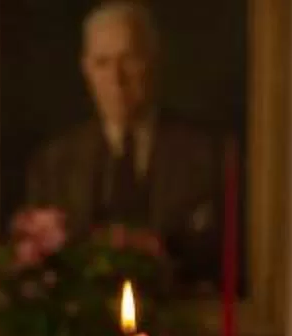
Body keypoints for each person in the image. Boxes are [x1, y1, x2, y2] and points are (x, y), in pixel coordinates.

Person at [22, 2, 226, 283]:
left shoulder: (206, 155)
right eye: (102, 63)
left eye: (128, 59)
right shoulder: (53, 163)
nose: (116, 79)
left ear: (153, 61)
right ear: (86, 70)